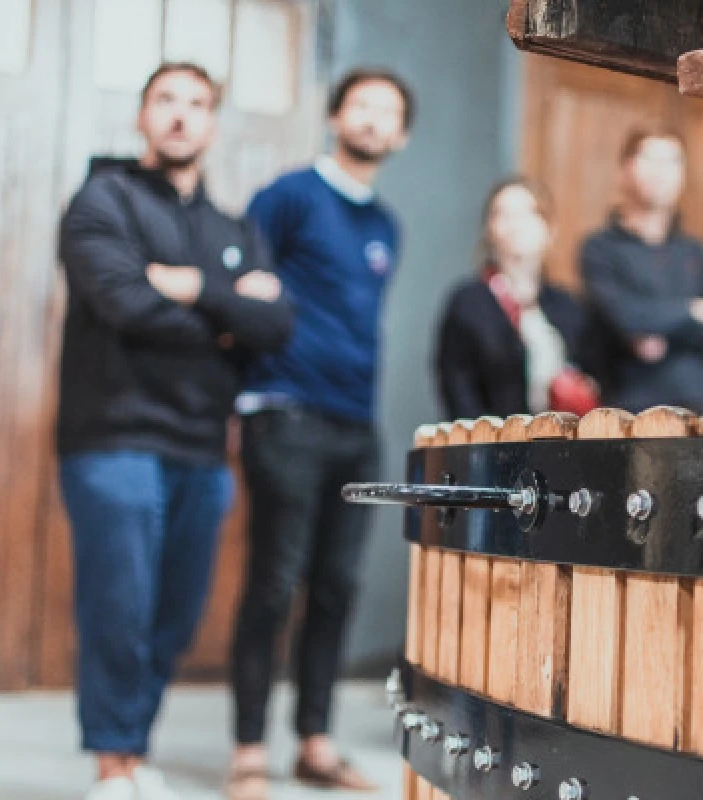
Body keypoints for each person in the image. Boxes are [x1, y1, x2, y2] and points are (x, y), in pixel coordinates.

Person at [57, 63, 293, 800]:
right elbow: (125, 303)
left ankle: (136, 748)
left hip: (201, 446)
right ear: (142, 117)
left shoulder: (232, 228)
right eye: (166, 101)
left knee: (175, 614)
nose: (182, 116)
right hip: (114, 436)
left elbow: (276, 325)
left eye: (197, 104)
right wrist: (227, 313)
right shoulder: (105, 200)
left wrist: (189, 286)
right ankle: (112, 763)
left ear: (214, 124)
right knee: (119, 604)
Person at [226, 68, 413, 798]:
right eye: (361, 104)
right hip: (284, 411)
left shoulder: (386, 225)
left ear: (401, 135)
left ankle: (314, 742)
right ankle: (247, 753)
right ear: (336, 115)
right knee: (273, 583)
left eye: (387, 111)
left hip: (353, 425)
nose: (372, 119)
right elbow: (243, 287)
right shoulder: (290, 195)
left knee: (335, 587)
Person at [580, 126, 703, 414]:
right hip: (627, 412)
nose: (661, 171)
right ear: (624, 170)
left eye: (673, 161)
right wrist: (696, 311)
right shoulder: (600, 248)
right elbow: (626, 317)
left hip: (697, 410)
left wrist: (660, 322)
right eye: (650, 159)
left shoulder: (696, 252)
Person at [435, 178, 597, 419]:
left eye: (528, 213)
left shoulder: (568, 306)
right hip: (492, 446)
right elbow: (457, 388)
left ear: (549, 228)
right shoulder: (468, 303)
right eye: (504, 214)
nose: (516, 224)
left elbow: (593, 375)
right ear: (490, 228)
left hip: (562, 445)